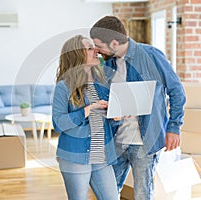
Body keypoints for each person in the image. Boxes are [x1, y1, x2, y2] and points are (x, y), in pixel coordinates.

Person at [90, 16, 186, 200]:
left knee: (143, 195)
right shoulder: (108, 64)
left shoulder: (151, 56)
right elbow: (108, 100)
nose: (97, 50)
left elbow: (177, 91)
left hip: (145, 142)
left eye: (99, 45)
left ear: (114, 42)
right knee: (107, 193)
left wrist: (174, 128)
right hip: (117, 139)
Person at [52, 35, 119, 200]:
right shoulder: (64, 86)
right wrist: (87, 110)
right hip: (75, 156)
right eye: (90, 48)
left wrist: (116, 117)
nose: (96, 50)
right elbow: (58, 124)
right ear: (76, 55)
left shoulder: (102, 82)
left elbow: (105, 119)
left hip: (101, 155)